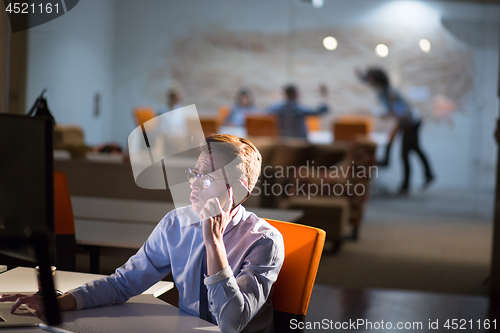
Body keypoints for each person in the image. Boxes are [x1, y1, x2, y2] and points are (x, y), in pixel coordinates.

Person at [0, 134, 285, 333]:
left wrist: (214, 244)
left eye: (207, 177)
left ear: (240, 188)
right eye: (194, 173)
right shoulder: (176, 224)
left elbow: (232, 323)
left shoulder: (264, 241)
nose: (194, 186)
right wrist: (55, 302)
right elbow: (123, 283)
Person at [356, 67, 435, 195]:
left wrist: (387, 114)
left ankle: (408, 185)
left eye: (370, 78)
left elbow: (402, 111)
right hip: (405, 123)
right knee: (414, 148)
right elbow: (368, 81)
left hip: (411, 122)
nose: (368, 81)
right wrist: (361, 77)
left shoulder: (390, 93)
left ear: (376, 79)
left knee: (406, 153)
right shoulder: (381, 90)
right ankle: (427, 175)